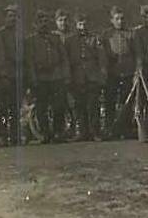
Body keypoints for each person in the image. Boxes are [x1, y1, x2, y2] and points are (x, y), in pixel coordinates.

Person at [26, 10, 70, 143]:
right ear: (35, 25)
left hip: (56, 77)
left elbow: (64, 58)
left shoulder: (55, 38)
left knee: (59, 106)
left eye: (46, 22)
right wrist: (33, 78)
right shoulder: (31, 41)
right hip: (40, 78)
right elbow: (30, 62)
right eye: (40, 22)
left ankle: (58, 133)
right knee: (41, 108)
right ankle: (45, 134)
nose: (44, 25)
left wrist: (65, 76)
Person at [101, 6, 139, 140]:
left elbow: (137, 54)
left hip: (128, 72)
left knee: (126, 102)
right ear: (111, 20)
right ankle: (110, 129)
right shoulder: (106, 35)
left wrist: (136, 72)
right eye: (117, 19)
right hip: (112, 73)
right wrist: (104, 70)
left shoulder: (131, 33)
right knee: (110, 101)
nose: (120, 21)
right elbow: (102, 55)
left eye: (122, 18)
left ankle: (126, 129)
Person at [70, 12, 107, 140]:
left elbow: (102, 58)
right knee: (79, 105)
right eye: (80, 24)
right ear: (76, 25)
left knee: (93, 105)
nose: (83, 26)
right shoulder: (70, 40)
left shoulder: (95, 38)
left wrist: (102, 75)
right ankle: (82, 132)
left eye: (84, 24)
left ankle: (95, 131)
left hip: (92, 76)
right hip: (77, 76)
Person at [0, 5, 21, 145]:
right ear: (5, 18)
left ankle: (15, 136)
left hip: (18, 76)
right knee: (3, 109)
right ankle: (3, 136)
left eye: (15, 16)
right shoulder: (0, 34)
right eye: (9, 16)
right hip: (4, 76)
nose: (12, 19)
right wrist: (2, 75)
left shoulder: (20, 35)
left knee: (15, 108)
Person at [133, 5, 148, 138]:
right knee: (140, 100)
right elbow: (138, 52)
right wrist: (140, 67)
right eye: (146, 16)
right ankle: (138, 129)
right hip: (143, 69)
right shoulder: (138, 32)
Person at [52, 8, 75, 139]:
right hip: (58, 74)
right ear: (56, 22)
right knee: (59, 104)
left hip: (73, 73)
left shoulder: (73, 36)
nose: (63, 23)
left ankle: (74, 129)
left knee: (73, 103)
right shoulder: (53, 36)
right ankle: (59, 131)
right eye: (60, 20)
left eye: (65, 20)